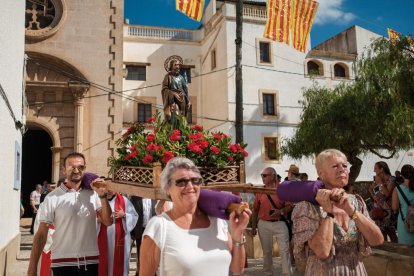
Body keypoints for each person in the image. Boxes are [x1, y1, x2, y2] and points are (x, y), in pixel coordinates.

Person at [139, 157, 251, 276]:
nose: (190, 186)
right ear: (167, 189)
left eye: (195, 180)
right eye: (181, 182)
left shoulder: (217, 222)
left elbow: (237, 270)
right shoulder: (159, 226)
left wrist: (238, 234)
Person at [292, 149, 383, 275]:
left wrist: (351, 211)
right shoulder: (307, 207)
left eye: (345, 166)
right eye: (335, 166)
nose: (342, 169)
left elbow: (377, 240)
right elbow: (322, 252)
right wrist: (329, 213)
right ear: (321, 173)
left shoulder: (356, 202)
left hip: (356, 270)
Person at [27, 152, 113, 276]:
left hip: (89, 261)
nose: (76, 170)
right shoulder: (52, 197)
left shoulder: (93, 194)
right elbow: (41, 235)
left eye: (81, 167)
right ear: (64, 169)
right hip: (61, 262)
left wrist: (102, 196)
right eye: (72, 167)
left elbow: (108, 221)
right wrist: (32, 268)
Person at [251, 167, 293, 276]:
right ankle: (268, 273)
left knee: (284, 250)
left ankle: (287, 273)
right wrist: (254, 227)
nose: (262, 178)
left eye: (265, 175)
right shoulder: (260, 191)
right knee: (267, 251)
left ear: (273, 176)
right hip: (263, 224)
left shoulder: (282, 189)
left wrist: (280, 211)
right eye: (262, 175)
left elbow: (289, 206)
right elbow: (255, 209)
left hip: (280, 222)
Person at [98, 189, 138, 276]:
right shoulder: (98, 200)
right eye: (106, 189)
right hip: (102, 238)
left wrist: (124, 215)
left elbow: (134, 216)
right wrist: (98, 219)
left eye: (111, 189)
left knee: (119, 265)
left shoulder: (124, 200)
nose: (108, 191)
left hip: (120, 239)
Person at [369, 161, 397, 242]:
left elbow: (387, 194)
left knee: (391, 233)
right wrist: (372, 193)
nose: (374, 170)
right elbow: (374, 194)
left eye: (376, 168)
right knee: (381, 233)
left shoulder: (392, 179)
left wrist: (380, 183)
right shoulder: (377, 180)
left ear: (382, 169)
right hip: (378, 210)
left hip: (388, 211)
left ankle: (396, 252)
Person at [129, 196, 156, 275]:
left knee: (153, 253)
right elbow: (132, 215)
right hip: (140, 230)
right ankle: (140, 271)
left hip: (153, 231)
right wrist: (132, 232)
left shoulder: (155, 199)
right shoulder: (135, 198)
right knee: (140, 253)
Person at [161, 55, 191, 127]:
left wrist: (188, 100)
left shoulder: (181, 77)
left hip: (182, 99)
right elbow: (164, 89)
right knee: (175, 115)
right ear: (171, 66)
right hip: (173, 100)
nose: (177, 67)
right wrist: (173, 94)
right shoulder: (168, 76)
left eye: (178, 65)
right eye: (175, 65)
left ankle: (181, 133)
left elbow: (185, 89)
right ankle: (174, 133)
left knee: (182, 117)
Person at [392, 164, 414, 245]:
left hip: (405, 221)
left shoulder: (397, 189)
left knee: (405, 251)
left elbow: (395, 207)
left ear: (401, 175)